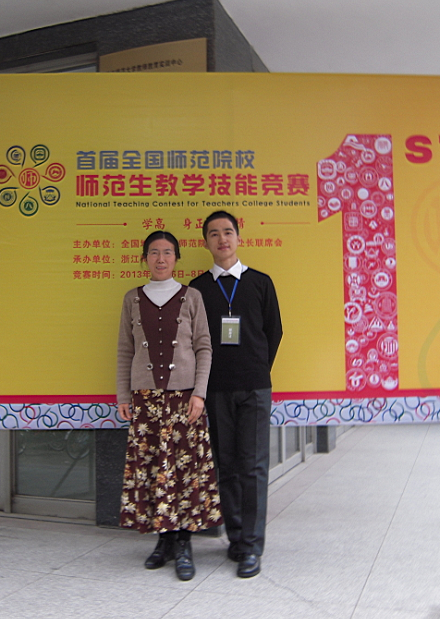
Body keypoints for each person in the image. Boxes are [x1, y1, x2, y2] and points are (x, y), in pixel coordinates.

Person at [116, 230, 222, 582]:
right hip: (146, 401)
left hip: (184, 399)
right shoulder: (132, 299)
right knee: (153, 470)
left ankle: (184, 544)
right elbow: (125, 350)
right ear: (144, 258)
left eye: (167, 252)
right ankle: (163, 540)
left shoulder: (192, 296)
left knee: (185, 472)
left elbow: (204, 347)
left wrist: (199, 393)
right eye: (153, 252)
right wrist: (123, 396)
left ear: (176, 258)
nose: (160, 259)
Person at [189, 211, 283, 579]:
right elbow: (194, 340)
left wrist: (256, 366)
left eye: (228, 231)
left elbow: (273, 332)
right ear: (206, 242)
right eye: (214, 234)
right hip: (215, 388)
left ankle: (252, 547)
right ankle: (236, 537)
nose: (222, 239)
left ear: (238, 238)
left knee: (254, 466)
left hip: (255, 388)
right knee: (225, 465)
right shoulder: (197, 289)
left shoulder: (260, 282)